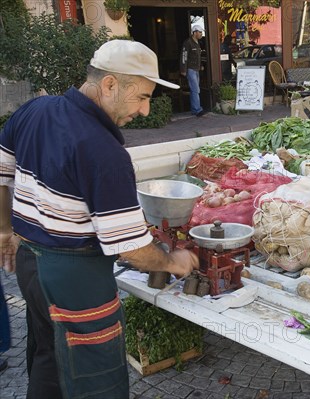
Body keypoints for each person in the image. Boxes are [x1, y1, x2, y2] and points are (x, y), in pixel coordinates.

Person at [0, 40, 199, 398]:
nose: (144, 110)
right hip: (75, 281)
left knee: (49, 357)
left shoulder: (34, 110)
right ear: (109, 85)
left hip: (30, 266)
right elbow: (131, 251)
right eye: (141, 97)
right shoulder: (103, 151)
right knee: (94, 375)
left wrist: (5, 229)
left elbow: (1, 172)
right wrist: (172, 261)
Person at [181, 25, 207, 117]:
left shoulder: (197, 43)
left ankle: (194, 109)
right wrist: (183, 69)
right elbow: (184, 56)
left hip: (196, 69)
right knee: (195, 89)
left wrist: (200, 66)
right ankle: (197, 109)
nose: (201, 34)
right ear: (195, 32)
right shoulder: (188, 42)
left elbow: (198, 56)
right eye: (200, 32)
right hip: (190, 69)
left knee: (194, 90)